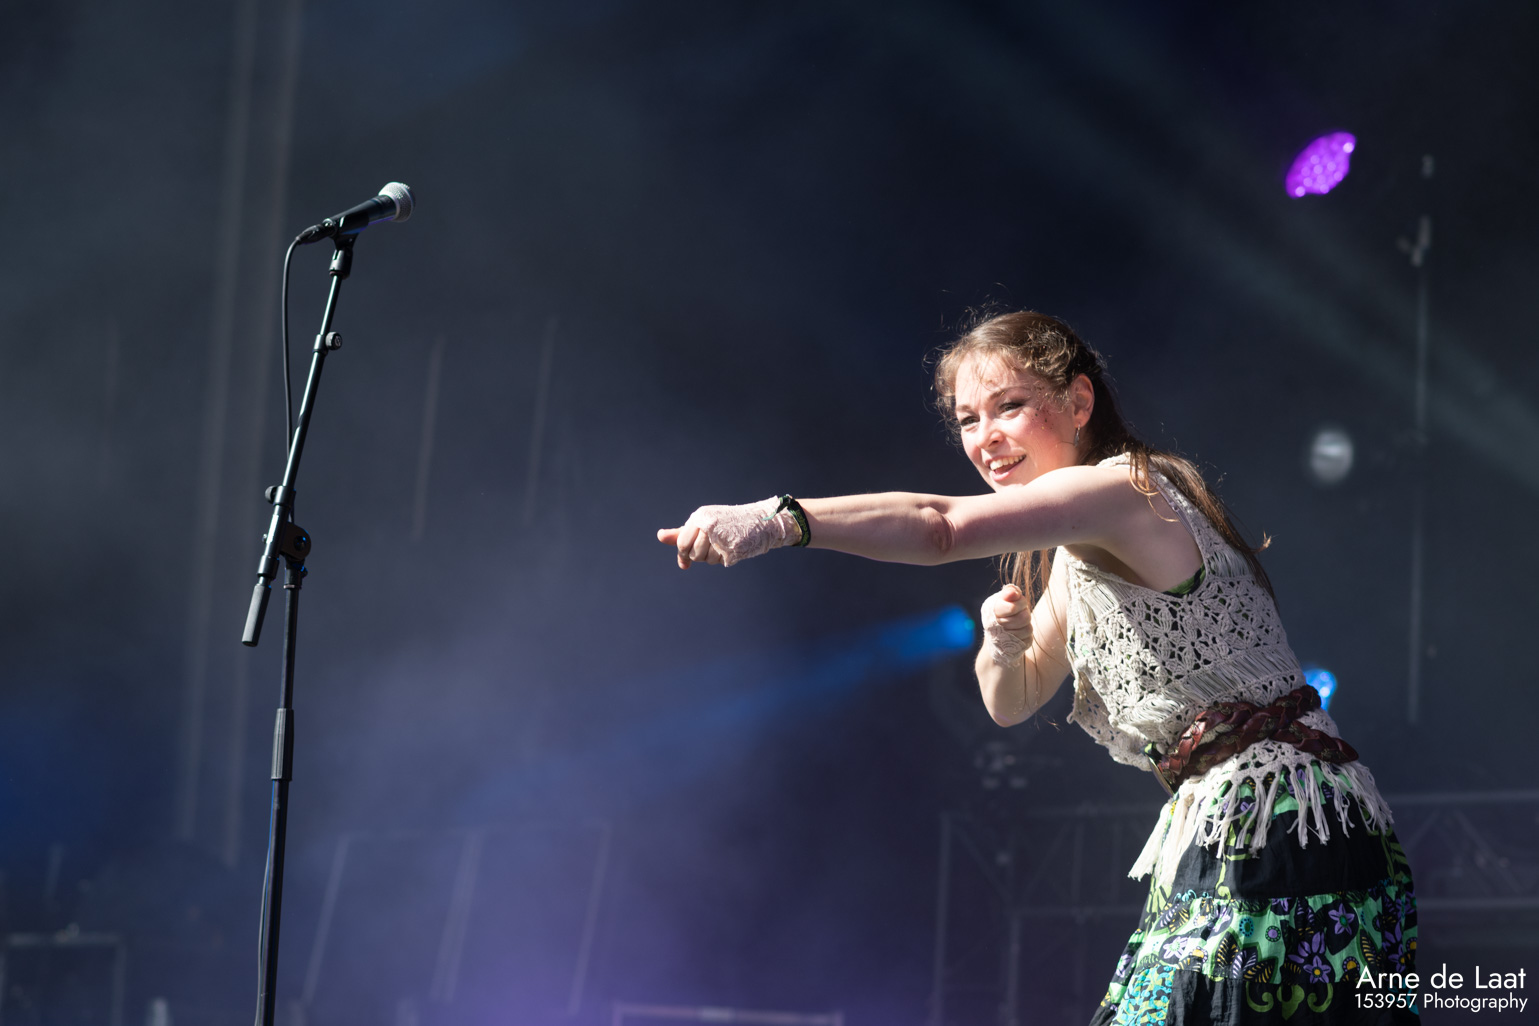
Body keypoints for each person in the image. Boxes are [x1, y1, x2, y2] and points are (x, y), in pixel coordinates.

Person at [657, 310, 1416, 1024]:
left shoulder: (1122, 490)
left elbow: (941, 526)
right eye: (967, 420)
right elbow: (1011, 700)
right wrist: (1004, 641)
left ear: (1078, 402)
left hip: (1282, 821)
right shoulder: (1080, 552)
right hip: (1260, 819)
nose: (985, 438)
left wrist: (781, 519)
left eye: (1009, 407)